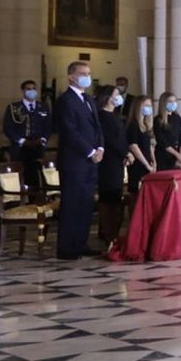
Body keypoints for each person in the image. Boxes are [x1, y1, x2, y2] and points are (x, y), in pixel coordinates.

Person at [52, 60, 103, 259]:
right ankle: (66, 248)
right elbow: (69, 131)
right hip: (74, 162)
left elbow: (97, 127)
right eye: (83, 74)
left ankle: (81, 243)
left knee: (85, 205)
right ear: (71, 77)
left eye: (89, 73)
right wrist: (90, 151)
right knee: (72, 205)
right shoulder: (65, 100)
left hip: (90, 162)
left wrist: (100, 147)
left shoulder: (89, 99)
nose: (87, 77)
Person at [95, 85, 129, 246]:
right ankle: (108, 233)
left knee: (116, 197)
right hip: (108, 162)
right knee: (109, 197)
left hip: (117, 161)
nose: (118, 97)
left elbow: (122, 138)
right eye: (116, 94)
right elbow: (110, 140)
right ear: (107, 98)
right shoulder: (102, 116)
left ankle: (111, 231)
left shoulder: (115, 115)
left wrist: (125, 153)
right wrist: (126, 153)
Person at [2, 79, 52, 188]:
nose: (31, 91)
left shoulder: (43, 107)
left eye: (34, 89)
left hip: (38, 147)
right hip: (20, 148)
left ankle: (37, 195)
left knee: (37, 176)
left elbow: (48, 126)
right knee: (21, 175)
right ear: (23, 91)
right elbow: (8, 128)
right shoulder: (14, 108)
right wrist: (22, 141)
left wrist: (43, 139)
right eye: (28, 89)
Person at [126, 96, 157, 193]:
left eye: (150, 106)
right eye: (146, 105)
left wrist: (154, 161)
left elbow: (149, 146)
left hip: (147, 163)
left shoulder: (146, 125)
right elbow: (133, 146)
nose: (149, 108)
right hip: (138, 164)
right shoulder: (133, 124)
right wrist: (146, 165)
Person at [154, 92, 181, 170]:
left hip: (177, 156)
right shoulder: (158, 120)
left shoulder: (177, 118)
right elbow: (162, 141)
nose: (173, 104)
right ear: (164, 103)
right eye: (170, 102)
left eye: (174, 101)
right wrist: (177, 155)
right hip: (164, 156)